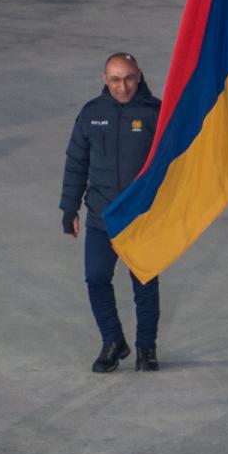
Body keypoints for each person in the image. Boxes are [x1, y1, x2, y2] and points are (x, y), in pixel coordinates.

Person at [59, 52, 163, 373]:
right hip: (101, 216)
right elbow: (77, 162)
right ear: (105, 79)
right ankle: (113, 341)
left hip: (141, 219)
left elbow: (176, 164)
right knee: (96, 278)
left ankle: (146, 348)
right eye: (115, 79)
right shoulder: (91, 114)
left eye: (129, 78)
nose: (123, 86)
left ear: (139, 75)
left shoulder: (156, 113)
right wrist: (69, 207)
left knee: (144, 286)